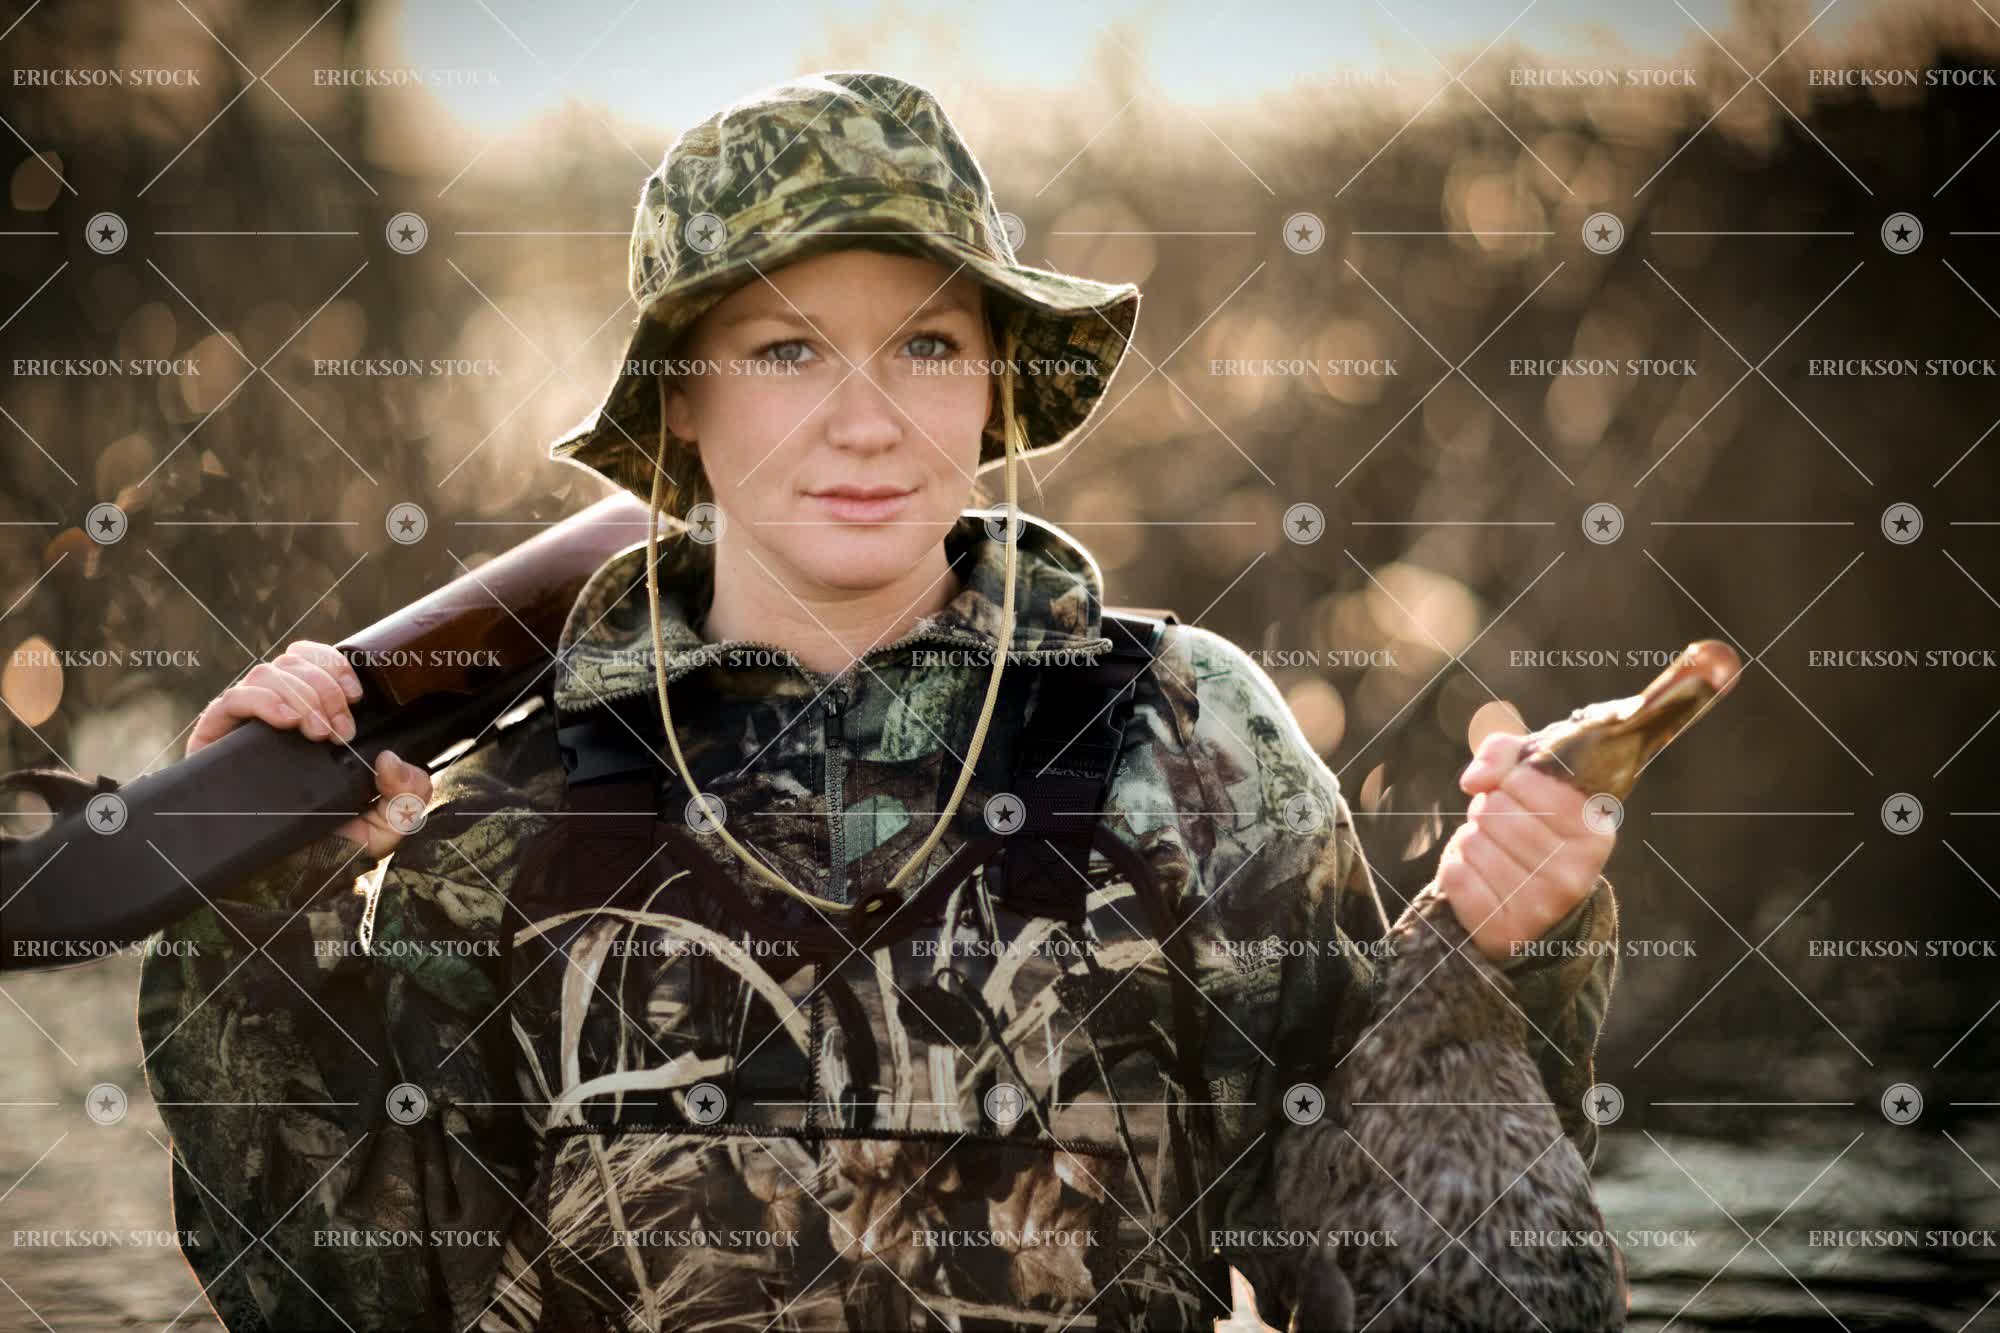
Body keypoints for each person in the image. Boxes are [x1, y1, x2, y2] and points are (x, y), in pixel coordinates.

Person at [138, 70, 1620, 1332]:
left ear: (994, 384)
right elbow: (357, 1295)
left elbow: (1377, 1254)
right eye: (787, 349)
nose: (869, 418)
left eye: (927, 344)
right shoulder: (516, 810)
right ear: (681, 401)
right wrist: (255, 905)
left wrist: (1498, 954)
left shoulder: (1185, 738)